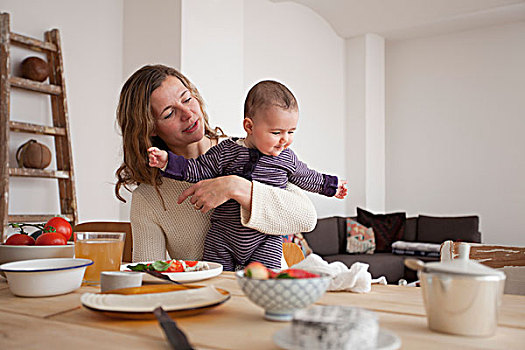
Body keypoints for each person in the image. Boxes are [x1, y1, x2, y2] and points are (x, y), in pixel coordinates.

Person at [115, 65, 318, 264]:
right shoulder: (149, 197)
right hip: (209, 296)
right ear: (150, 128)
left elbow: (306, 218)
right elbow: (150, 276)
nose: (187, 114)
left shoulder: (241, 150)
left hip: (268, 291)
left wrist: (235, 187)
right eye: (169, 113)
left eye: (187, 99)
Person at [148, 80, 347, 270]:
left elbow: (307, 177)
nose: (285, 140)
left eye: (291, 132)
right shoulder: (226, 151)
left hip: (265, 240)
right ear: (249, 127)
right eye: (277, 133)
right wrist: (167, 162)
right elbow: (197, 169)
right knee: (217, 278)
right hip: (223, 236)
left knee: (262, 283)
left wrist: (332, 187)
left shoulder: (286, 158)